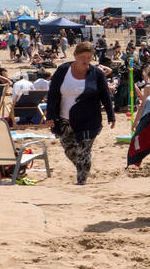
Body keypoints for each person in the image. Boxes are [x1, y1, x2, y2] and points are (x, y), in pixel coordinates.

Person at [44, 41, 115, 185]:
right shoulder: (63, 70)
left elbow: (105, 95)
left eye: (89, 57)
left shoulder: (97, 74)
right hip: (64, 119)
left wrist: (111, 115)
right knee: (69, 149)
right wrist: (50, 115)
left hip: (89, 118)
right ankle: (83, 167)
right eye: (83, 56)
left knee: (84, 151)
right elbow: (52, 94)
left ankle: (81, 182)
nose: (86, 60)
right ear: (75, 55)